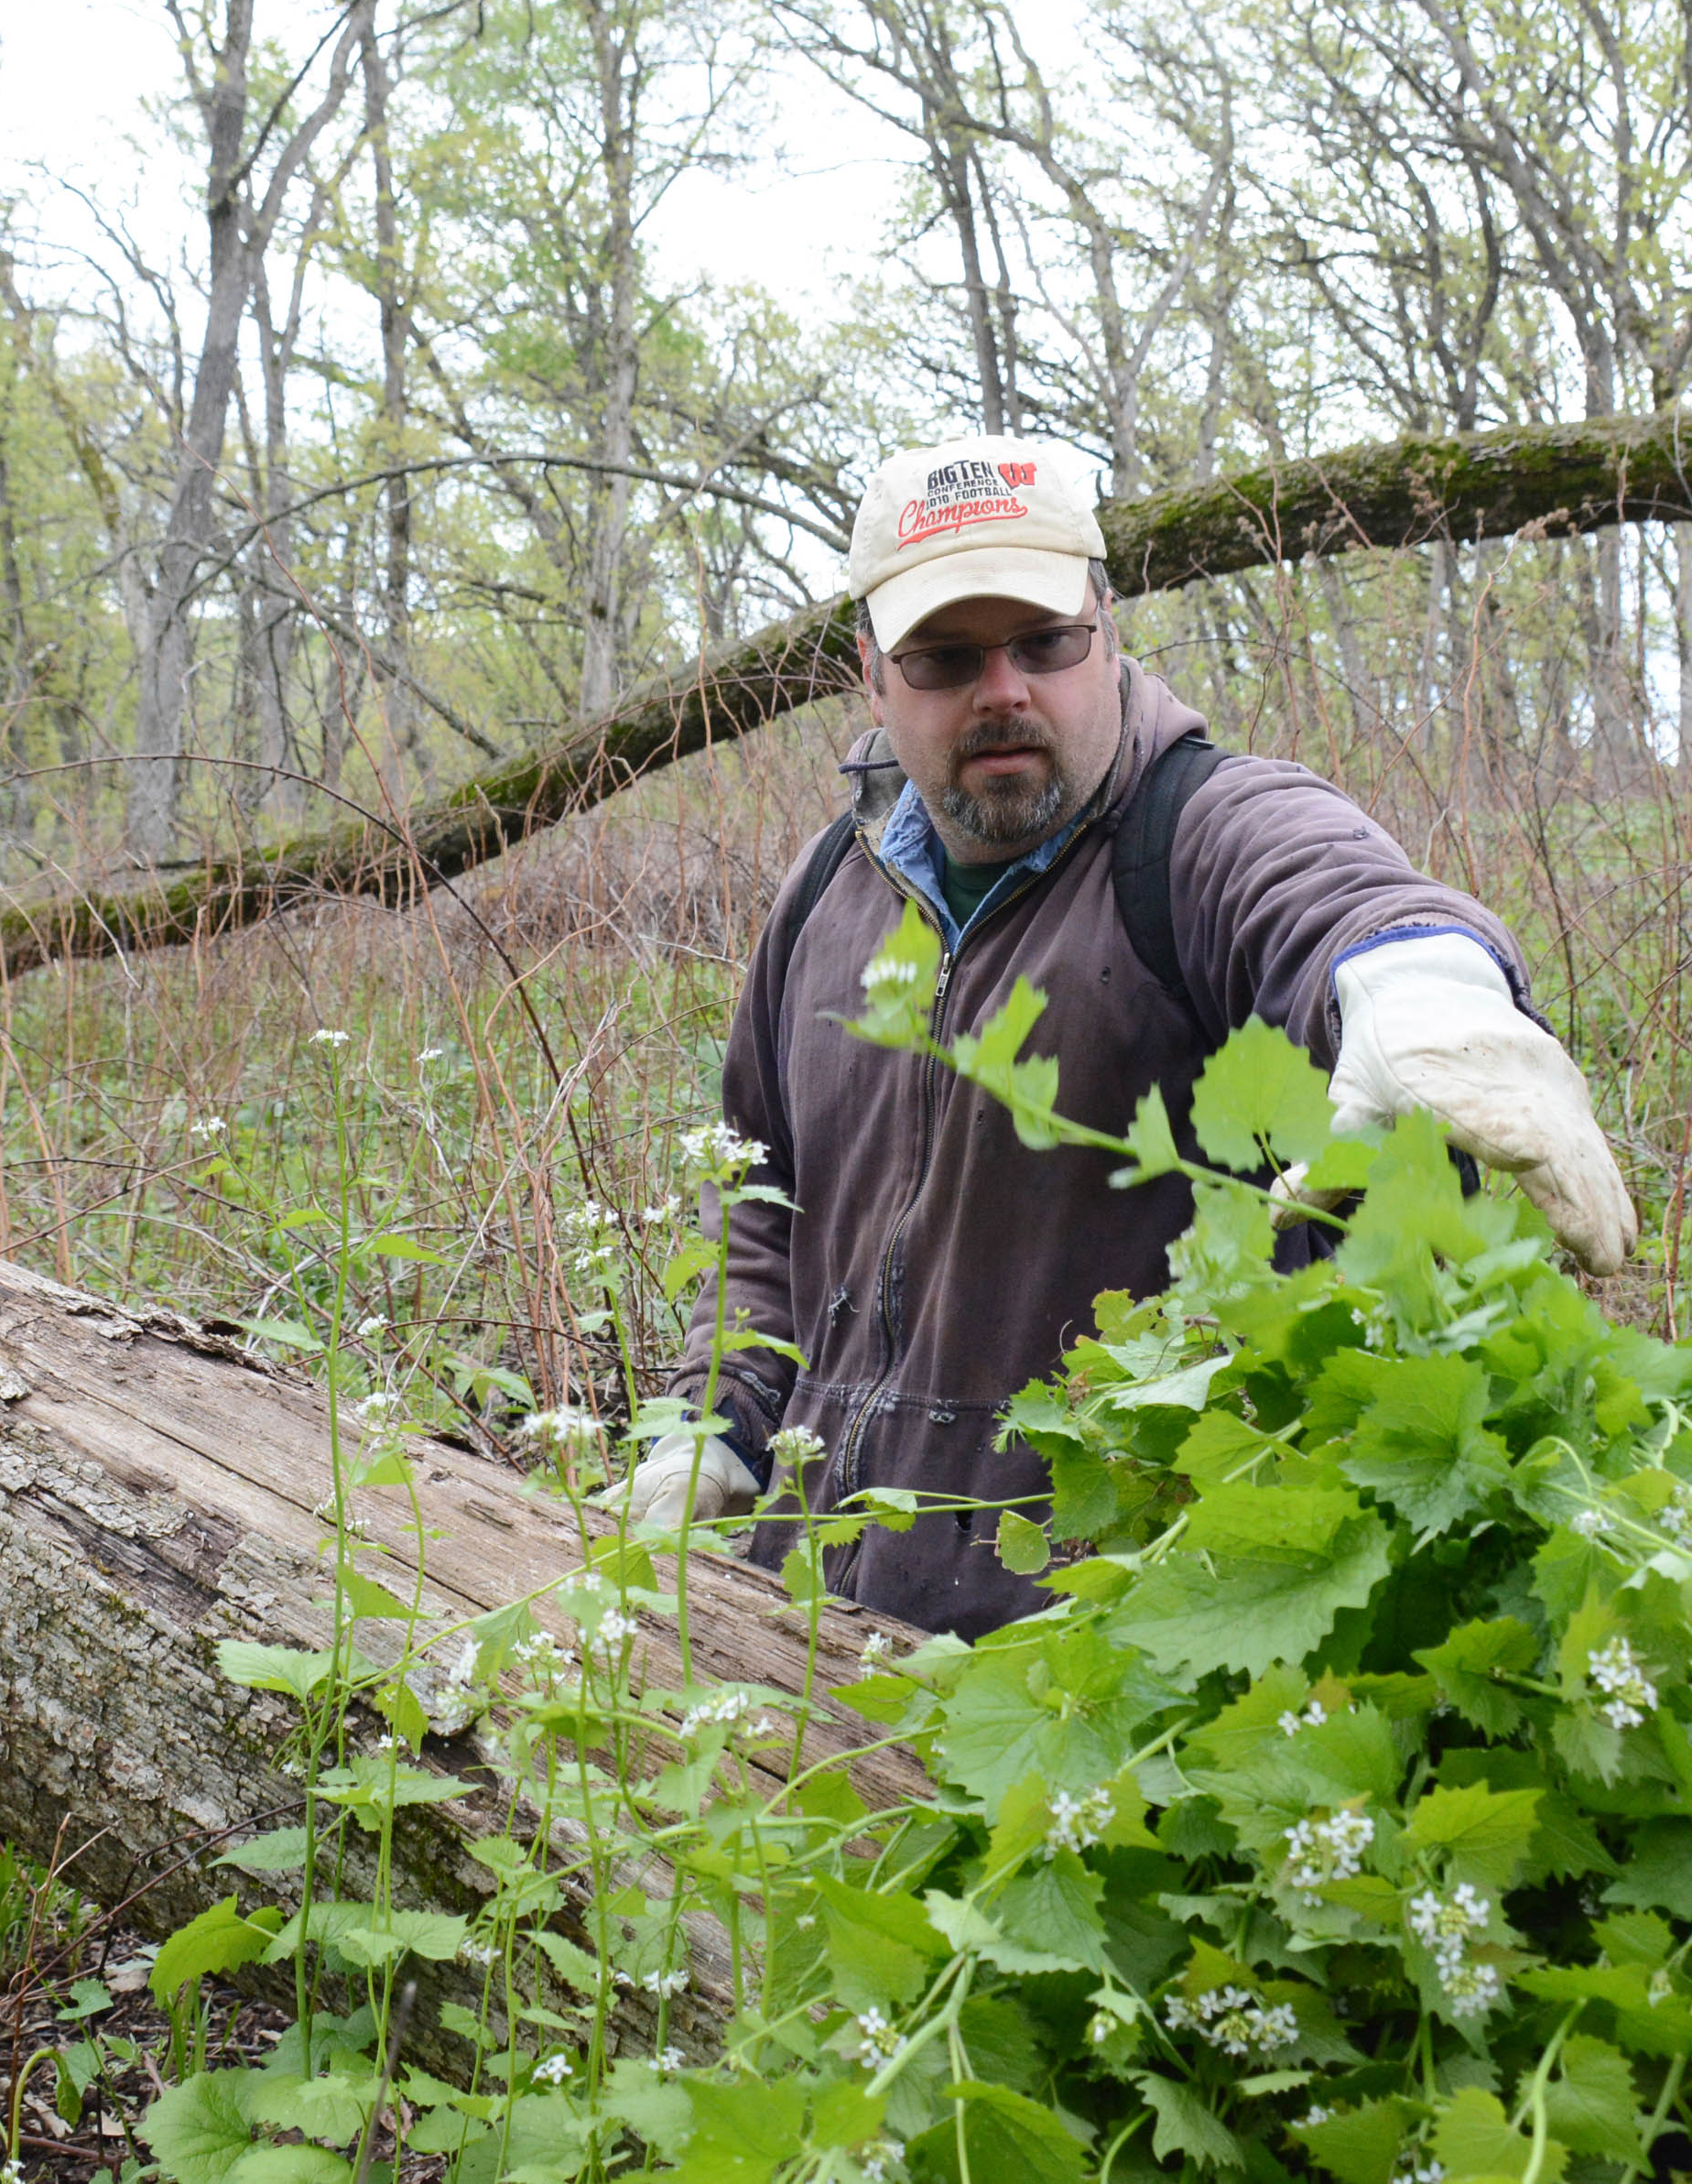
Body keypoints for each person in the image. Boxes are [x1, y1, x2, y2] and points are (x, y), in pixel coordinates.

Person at [597, 433, 1635, 1636]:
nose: (1003, 692)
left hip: (1099, 1662)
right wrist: (711, 1425)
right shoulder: (828, 894)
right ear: (872, 678)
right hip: (797, 1634)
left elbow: (1335, 890)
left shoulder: (1193, 835)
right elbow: (759, 1197)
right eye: (945, 658)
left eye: (1044, 643)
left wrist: (1433, 999)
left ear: (1110, 627)